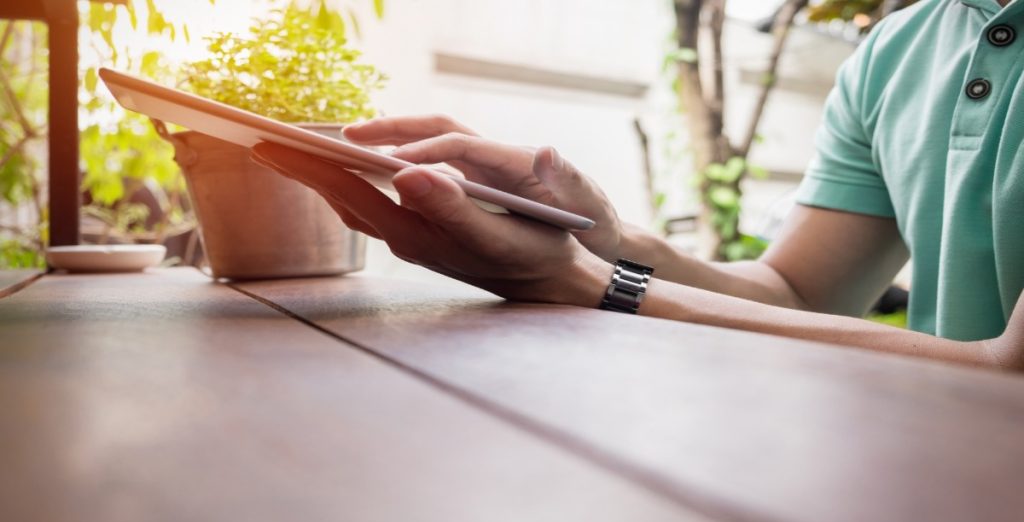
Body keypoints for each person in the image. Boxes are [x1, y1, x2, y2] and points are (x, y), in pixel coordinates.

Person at [250, 0, 1023, 370]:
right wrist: (608, 239)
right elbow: (795, 293)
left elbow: (1006, 366)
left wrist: (594, 283)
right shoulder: (897, 49)